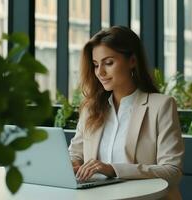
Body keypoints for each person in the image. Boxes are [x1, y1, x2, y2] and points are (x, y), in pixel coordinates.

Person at [68, 26, 184, 200]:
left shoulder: (161, 105)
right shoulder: (90, 109)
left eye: (108, 63)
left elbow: (172, 171)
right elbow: (75, 154)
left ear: (132, 61)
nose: (100, 72)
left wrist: (112, 168)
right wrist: (73, 165)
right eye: (95, 65)